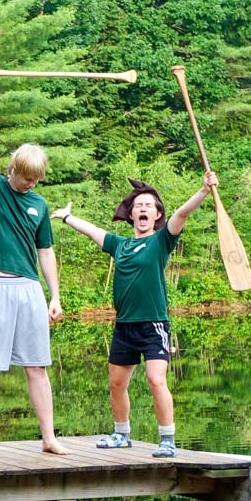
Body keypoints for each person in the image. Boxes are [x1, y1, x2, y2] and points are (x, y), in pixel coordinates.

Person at [52, 174, 216, 458]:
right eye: (138, 205)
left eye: (149, 205)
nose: (143, 209)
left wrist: (203, 190)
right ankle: (121, 434)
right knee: (116, 383)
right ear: (131, 215)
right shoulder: (120, 245)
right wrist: (67, 217)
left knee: (156, 380)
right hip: (124, 327)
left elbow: (182, 213)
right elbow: (92, 231)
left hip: (153, 325)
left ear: (157, 215)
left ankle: (167, 439)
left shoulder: (162, 241)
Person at [0, 72, 67, 456]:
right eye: (26, 177)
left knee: (38, 366)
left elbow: (45, 251)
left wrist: (54, 296)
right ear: (13, 169)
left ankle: (48, 437)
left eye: (36, 180)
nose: (30, 184)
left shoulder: (40, 205)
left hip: (29, 289)